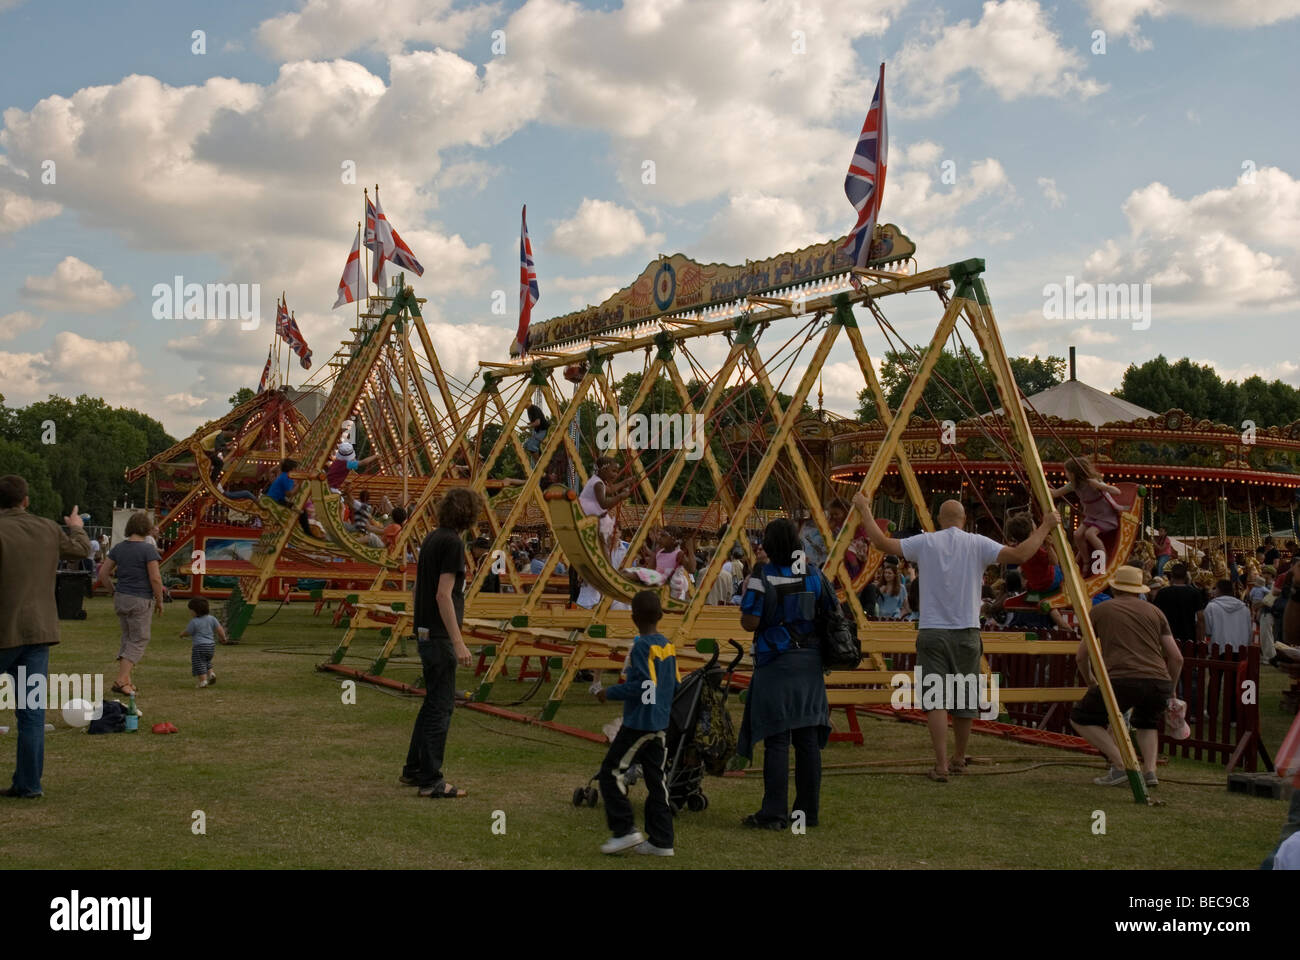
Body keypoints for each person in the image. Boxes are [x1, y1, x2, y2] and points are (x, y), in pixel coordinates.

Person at [854, 492, 1059, 781]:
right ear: (964, 520)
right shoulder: (977, 542)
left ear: (939, 519)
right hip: (966, 631)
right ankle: (959, 757)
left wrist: (864, 508)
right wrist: (1046, 526)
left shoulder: (925, 541)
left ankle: (940, 765)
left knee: (936, 698)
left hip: (933, 630)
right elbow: (1021, 554)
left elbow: (881, 542)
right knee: (964, 698)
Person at [736, 518, 840, 829]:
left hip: (776, 661)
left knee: (777, 740)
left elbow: (750, 622)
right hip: (809, 662)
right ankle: (807, 812)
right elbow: (834, 611)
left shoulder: (762, 576)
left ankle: (774, 813)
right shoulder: (813, 574)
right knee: (807, 740)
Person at [0, 477, 91, 798]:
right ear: (25, 500)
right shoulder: (48, 529)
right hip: (38, 634)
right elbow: (81, 549)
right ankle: (28, 785)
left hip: (4, 631)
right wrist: (76, 525)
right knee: (31, 715)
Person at [1070, 566, 1184, 788]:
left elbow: (1081, 657)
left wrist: (1091, 680)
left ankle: (1120, 764)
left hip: (1122, 677)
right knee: (1147, 723)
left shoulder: (1101, 610)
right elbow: (1177, 657)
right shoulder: (1155, 612)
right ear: (1138, 589)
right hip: (1159, 680)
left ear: (1114, 588)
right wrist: (1170, 688)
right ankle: (1150, 771)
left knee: (1081, 718)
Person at [402, 487, 483, 798]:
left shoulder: (433, 538)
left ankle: (414, 769)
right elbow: (442, 594)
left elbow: (423, 589)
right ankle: (431, 780)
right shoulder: (452, 543)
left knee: (431, 703)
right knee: (441, 707)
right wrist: (458, 641)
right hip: (438, 635)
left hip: (425, 631)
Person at [592, 590, 678, 856]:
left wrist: (609, 692)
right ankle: (662, 841)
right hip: (661, 723)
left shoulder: (641, 645)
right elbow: (674, 683)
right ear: (661, 616)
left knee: (610, 773)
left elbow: (643, 685)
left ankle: (625, 830)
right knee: (656, 780)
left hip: (641, 723)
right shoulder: (667, 645)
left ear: (633, 618)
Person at [97, 511, 164, 697]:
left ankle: (126, 681)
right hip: (140, 598)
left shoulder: (118, 548)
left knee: (127, 637)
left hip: (122, 597)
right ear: (146, 529)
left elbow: (103, 574)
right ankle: (121, 680)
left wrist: (113, 591)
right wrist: (159, 600)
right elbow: (155, 578)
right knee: (139, 639)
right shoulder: (148, 550)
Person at [1050, 456, 1122, 571]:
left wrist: (1099, 486)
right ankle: (1086, 560)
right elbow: (1056, 493)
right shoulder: (1073, 485)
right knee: (1077, 535)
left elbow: (1117, 491)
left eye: (1067, 472)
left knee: (1090, 534)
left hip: (1105, 515)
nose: (1066, 474)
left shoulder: (1092, 482)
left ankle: (1105, 561)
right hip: (1092, 516)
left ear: (1074, 473)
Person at [578, 457, 633, 560]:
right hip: (593, 520)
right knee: (603, 547)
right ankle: (608, 568)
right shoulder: (598, 484)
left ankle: (607, 566)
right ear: (604, 470)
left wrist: (625, 482)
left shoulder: (597, 480)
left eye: (616, 472)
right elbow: (604, 503)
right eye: (613, 471)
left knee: (602, 546)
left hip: (592, 519)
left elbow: (610, 489)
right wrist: (621, 496)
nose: (615, 475)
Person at [1152, 562, 1205, 644]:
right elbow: (1200, 618)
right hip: (1189, 636)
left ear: (1171, 576)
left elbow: (1155, 615)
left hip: (1168, 637)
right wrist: (1201, 639)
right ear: (1186, 576)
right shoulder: (1195, 593)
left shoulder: (1163, 592)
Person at [181, 597, 226, 688]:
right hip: (211, 646)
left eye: (191, 611)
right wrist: (223, 638)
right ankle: (211, 674)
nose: (190, 613)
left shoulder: (194, 622)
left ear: (195, 611)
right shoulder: (212, 618)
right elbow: (220, 629)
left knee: (198, 663)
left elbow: (188, 632)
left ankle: (203, 681)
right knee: (206, 661)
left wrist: (182, 634)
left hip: (199, 646)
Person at [1199, 579, 1252, 651]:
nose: (1213, 591)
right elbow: (1249, 632)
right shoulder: (1245, 609)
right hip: (1240, 649)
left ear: (1219, 590)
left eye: (1215, 588)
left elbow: (1208, 631)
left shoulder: (1211, 607)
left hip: (1219, 649)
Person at [654, 528, 697, 601]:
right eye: (660, 535)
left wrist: (690, 549)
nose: (660, 538)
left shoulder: (678, 554)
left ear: (673, 539)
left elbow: (692, 569)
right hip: (660, 590)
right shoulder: (659, 552)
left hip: (675, 593)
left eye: (663, 536)